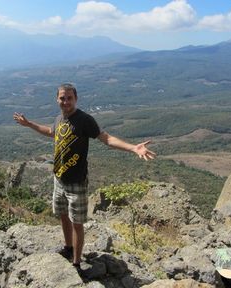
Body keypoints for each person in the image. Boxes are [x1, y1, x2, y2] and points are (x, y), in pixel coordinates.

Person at [13, 83, 155, 270]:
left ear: (76, 99)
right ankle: (68, 247)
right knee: (63, 216)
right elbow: (51, 132)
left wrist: (133, 148)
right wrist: (29, 124)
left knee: (77, 223)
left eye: (69, 98)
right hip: (59, 179)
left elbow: (106, 138)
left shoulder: (84, 120)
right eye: (62, 98)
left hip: (77, 182)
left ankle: (77, 263)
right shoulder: (59, 118)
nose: (66, 101)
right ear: (57, 99)